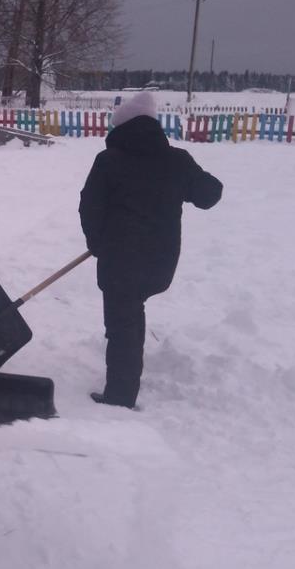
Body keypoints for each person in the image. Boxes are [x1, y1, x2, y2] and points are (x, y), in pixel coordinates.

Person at [79, 92, 223, 409]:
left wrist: (97, 242)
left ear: (121, 129)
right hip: (159, 262)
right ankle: (127, 378)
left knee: (123, 325)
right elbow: (209, 195)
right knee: (132, 313)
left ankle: (120, 395)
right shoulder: (177, 161)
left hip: (119, 262)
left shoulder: (109, 161)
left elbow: (89, 206)